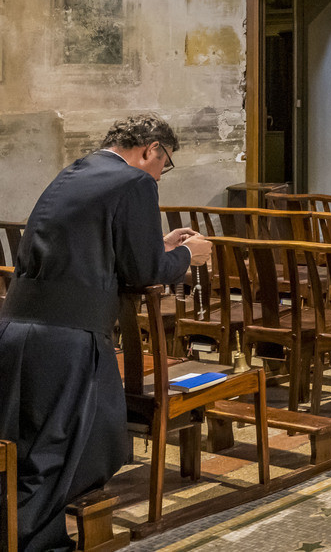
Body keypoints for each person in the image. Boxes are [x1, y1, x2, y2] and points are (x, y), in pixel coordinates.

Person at [0, 115, 213, 552]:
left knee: (26, 445)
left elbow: (89, 250)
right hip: (69, 336)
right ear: (152, 149)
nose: (161, 174)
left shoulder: (74, 172)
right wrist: (188, 256)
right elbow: (143, 272)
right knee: (68, 447)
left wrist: (161, 246)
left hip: (18, 329)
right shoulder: (135, 181)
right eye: (165, 163)